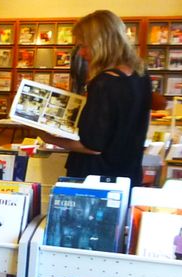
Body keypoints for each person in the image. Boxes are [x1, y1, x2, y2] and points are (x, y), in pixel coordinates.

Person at [39, 10, 150, 185]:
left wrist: (47, 137)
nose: (81, 54)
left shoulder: (104, 83)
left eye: (84, 46)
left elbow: (92, 146)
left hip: (95, 179)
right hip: (128, 174)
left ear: (101, 44)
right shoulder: (141, 75)